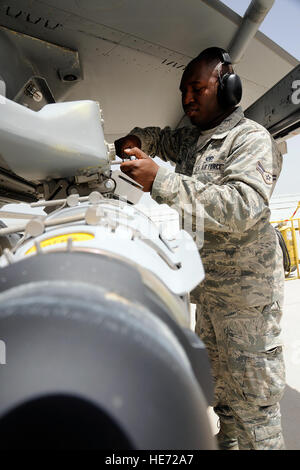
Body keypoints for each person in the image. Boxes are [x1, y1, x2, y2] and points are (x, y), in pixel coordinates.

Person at [115, 47, 285, 450]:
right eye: (183, 91)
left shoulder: (249, 139)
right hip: (210, 300)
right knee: (224, 402)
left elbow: (242, 206)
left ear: (227, 88)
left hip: (246, 305)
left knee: (255, 414)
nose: (187, 98)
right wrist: (138, 139)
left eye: (197, 88)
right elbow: (164, 138)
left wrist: (162, 181)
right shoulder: (194, 140)